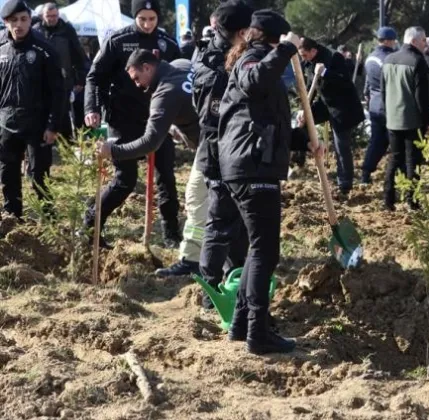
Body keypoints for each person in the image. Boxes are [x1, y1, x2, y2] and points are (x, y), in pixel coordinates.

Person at [217, 10, 321, 354]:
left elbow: (263, 121)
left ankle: (242, 325)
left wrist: (298, 140)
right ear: (275, 38)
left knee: (257, 249)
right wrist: (286, 51)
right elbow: (253, 82)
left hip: (252, 162)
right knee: (266, 249)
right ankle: (258, 333)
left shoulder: (259, 59)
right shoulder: (253, 59)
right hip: (251, 167)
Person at [156, 2, 252, 295]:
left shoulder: (207, 50)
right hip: (224, 144)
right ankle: (213, 274)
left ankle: (227, 272)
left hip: (221, 143)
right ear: (240, 30)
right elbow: (217, 109)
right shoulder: (221, 60)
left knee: (219, 211)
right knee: (214, 209)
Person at [83, 0, 181, 250]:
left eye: (152, 19)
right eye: (142, 19)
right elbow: (95, 77)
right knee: (125, 179)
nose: (147, 24)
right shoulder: (117, 41)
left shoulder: (167, 44)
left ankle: (171, 233)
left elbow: (181, 76)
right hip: (122, 119)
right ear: (135, 17)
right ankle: (92, 224)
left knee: (167, 178)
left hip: (158, 118)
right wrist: (92, 108)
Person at [0, 0, 64, 220]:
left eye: (23, 19)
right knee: (8, 172)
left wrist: (53, 125)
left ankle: (47, 220)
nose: (19, 25)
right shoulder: (1, 48)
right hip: (6, 122)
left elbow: (58, 92)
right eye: (13, 20)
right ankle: (12, 216)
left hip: (37, 123)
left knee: (39, 174)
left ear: (30, 20)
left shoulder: (44, 49)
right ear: (6, 22)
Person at [94, 50, 198, 165]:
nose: (137, 85)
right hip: (217, 129)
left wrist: (112, 151)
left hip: (210, 147)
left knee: (199, 183)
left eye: (136, 78)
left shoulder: (163, 94)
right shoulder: (183, 64)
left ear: (147, 68)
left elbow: (149, 142)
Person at [297, 36, 364, 196]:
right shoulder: (307, 61)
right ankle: (299, 161)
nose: (303, 58)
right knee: (303, 123)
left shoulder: (334, 57)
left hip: (342, 107)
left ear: (313, 51)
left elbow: (345, 82)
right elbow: (308, 86)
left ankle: (345, 184)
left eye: (305, 55)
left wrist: (325, 72)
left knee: (341, 145)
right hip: (325, 103)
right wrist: (303, 109)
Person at [381, 26, 429, 211]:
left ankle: (387, 200)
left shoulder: (388, 59)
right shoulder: (418, 61)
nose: (425, 44)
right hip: (412, 120)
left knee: (394, 159)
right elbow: (422, 98)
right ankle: (413, 201)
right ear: (414, 41)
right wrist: (428, 122)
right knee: (413, 161)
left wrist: (388, 114)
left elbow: (384, 91)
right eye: (423, 40)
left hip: (392, 119)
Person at [33, 3, 86, 143]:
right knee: (42, 113)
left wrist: (80, 79)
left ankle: (66, 146)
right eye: (48, 16)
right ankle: (43, 142)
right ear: (42, 16)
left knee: (62, 114)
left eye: (54, 16)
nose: (52, 19)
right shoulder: (35, 31)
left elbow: (79, 57)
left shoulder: (67, 31)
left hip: (63, 81)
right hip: (41, 81)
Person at [360, 26, 397, 185]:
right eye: (394, 41)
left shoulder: (370, 58)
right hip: (389, 105)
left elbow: (367, 84)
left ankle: (366, 173)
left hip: (374, 105)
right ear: (389, 41)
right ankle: (394, 178)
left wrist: (368, 98)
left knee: (376, 141)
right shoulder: (389, 59)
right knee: (395, 143)